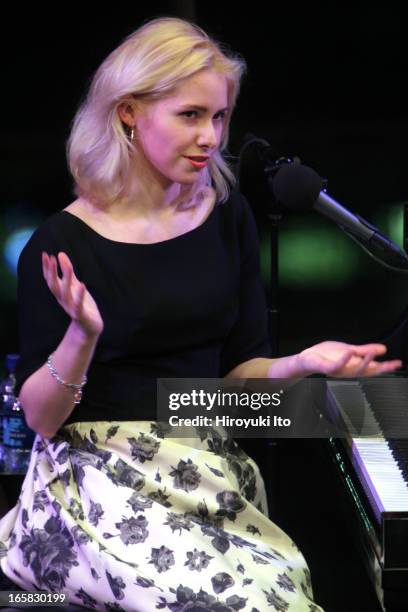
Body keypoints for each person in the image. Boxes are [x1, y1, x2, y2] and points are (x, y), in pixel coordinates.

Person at [0, 16, 401, 612]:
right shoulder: (63, 243)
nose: (211, 137)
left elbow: (231, 383)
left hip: (204, 466)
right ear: (129, 113)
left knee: (281, 596)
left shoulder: (226, 216)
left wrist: (300, 364)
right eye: (190, 115)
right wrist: (82, 336)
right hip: (98, 482)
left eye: (219, 117)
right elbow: (42, 417)